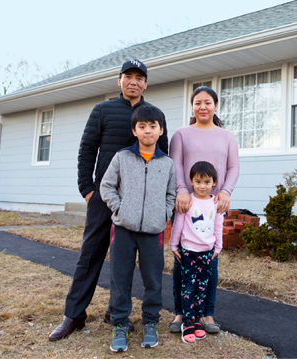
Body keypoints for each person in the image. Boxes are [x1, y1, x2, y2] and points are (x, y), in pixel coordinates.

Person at [49, 59, 169, 342]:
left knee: (125, 260)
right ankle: (74, 315)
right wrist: (88, 190)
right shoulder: (103, 110)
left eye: (140, 77)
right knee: (90, 254)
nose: (134, 82)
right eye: (128, 76)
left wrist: (162, 205)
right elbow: (87, 150)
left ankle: (116, 312)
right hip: (105, 198)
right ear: (119, 81)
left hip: (141, 204)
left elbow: (165, 158)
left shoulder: (153, 115)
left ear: (146, 84)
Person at [100, 105, 176, 352]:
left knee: (153, 280)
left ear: (160, 130)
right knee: (120, 278)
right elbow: (106, 187)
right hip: (123, 229)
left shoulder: (167, 163)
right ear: (134, 130)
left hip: (153, 232)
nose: (147, 131)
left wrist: (162, 214)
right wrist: (120, 209)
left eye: (153, 126)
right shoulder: (122, 157)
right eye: (142, 126)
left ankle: (150, 323)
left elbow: (171, 195)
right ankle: (120, 325)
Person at [168, 86, 239, 334]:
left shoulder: (227, 136)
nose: (202, 107)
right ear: (192, 106)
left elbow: (233, 167)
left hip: (213, 205)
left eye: (207, 102)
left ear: (215, 105)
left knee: (211, 261)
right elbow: (175, 163)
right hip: (187, 204)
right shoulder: (180, 134)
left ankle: (207, 314)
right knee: (181, 261)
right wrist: (181, 190)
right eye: (197, 102)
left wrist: (226, 192)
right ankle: (180, 312)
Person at [170, 161, 223, 343]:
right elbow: (178, 224)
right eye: (198, 181)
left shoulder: (216, 203)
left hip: (207, 253)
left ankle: (198, 320)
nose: (202, 186)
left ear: (214, 183)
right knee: (188, 287)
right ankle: (187, 322)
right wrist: (173, 245)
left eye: (207, 182)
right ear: (191, 182)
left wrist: (218, 247)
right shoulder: (188, 201)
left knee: (202, 287)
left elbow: (218, 226)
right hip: (188, 253)